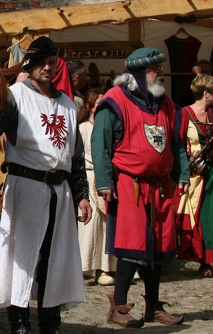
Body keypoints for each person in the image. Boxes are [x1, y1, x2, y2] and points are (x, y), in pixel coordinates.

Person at [0, 36, 91, 334]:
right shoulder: (13, 97)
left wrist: (82, 195)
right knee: (21, 257)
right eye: (42, 63)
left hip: (60, 191)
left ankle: (50, 323)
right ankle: (20, 324)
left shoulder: (69, 105)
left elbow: (75, 156)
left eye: (52, 63)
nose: (48, 68)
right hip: (26, 186)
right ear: (31, 65)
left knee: (54, 258)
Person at [91, 47, 189, 327]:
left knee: (158, 248)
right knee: (132, 246)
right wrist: (106, 181)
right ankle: (118, 307)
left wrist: (181, 175)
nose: (160, 74)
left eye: (159, 67)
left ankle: (153, 306)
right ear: (137, 73)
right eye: (154, 69)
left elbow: (175, 143)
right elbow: (101, 144)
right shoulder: (115, 101)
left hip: (158, 186)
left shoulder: (166, 104)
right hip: (129, 184)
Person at [76, 88, 117, 286]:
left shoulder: (110, 127)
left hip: (107, 180)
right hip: (89, 176)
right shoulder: (83, 128)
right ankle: (87, 267)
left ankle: (106, 268)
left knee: (107, 225)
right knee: (91, 226)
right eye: (98, 102)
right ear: (90, 106)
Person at [175, 73, 213, 277]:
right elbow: (178, 146)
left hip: (212, 173)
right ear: (206, 94)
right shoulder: (183, 114)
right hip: (194, 175)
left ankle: (209, 260)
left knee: (210, 218)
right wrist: (182, 174)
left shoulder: (212, 115)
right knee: (199, 219)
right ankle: (203, 260)